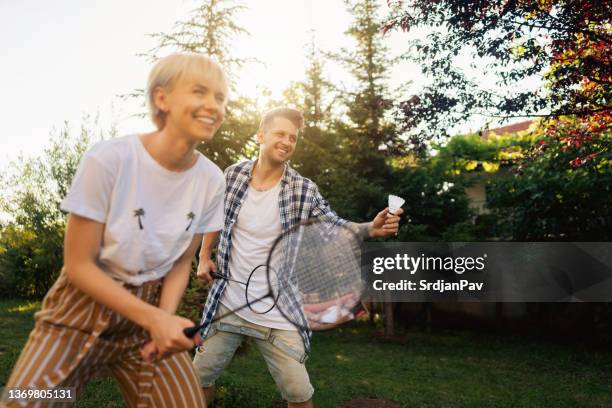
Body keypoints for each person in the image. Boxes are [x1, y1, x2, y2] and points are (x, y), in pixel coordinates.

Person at [1, 52, 228, 408]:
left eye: (220, 97)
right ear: (161, 98)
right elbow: (78, 266)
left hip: (151, 308)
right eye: (200, 91)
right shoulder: (109, 159)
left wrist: (162, 321)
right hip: (78, 311)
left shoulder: (212, 180)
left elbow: (182, 263)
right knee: (25, 402)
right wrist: (156, 319)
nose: (213, 105)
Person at [192, 108, 402, 407]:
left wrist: (370, 227)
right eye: (280, 134)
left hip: (279, 314)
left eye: (293, 137)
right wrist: (203, 257)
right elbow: (213, 217)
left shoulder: (303, 189)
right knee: (198, 380)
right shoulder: (233, 176)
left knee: (299, 395)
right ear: (261, 136)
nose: (287, 141)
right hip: (228, 304)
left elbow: (334, 227)